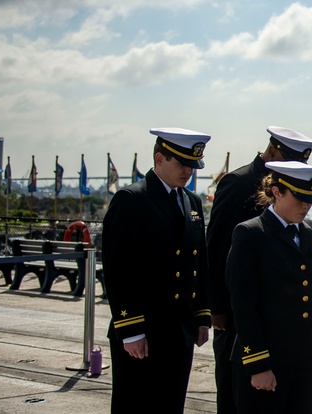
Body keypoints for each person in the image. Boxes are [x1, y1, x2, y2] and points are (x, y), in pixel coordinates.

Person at [206, 126, 312, 414]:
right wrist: (217, 307)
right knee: (237, 391)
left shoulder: (293, 189)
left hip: (280, 317)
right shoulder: (239, 182)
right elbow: (217, 246)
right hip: (238, 311)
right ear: (271, 152)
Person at [102, 127, 213, 413]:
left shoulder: (192, 202)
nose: (188, 171)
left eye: (192, 165)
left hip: (180, 330)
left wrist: (201, 315)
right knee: (136, 405)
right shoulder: (132, 199)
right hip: (145, 331)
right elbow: (118, 270)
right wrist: (130, 330)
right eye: (181, 163)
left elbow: (198, 262)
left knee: (170, 403)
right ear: (159, 158)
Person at [226, 161, 312, 413]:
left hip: (305, 361)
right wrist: (257, 364)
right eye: (299, 198)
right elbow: (243, 305)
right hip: (268, 360)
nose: (306, 205)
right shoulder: (251, 234)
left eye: (310, 198)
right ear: (276, 191)